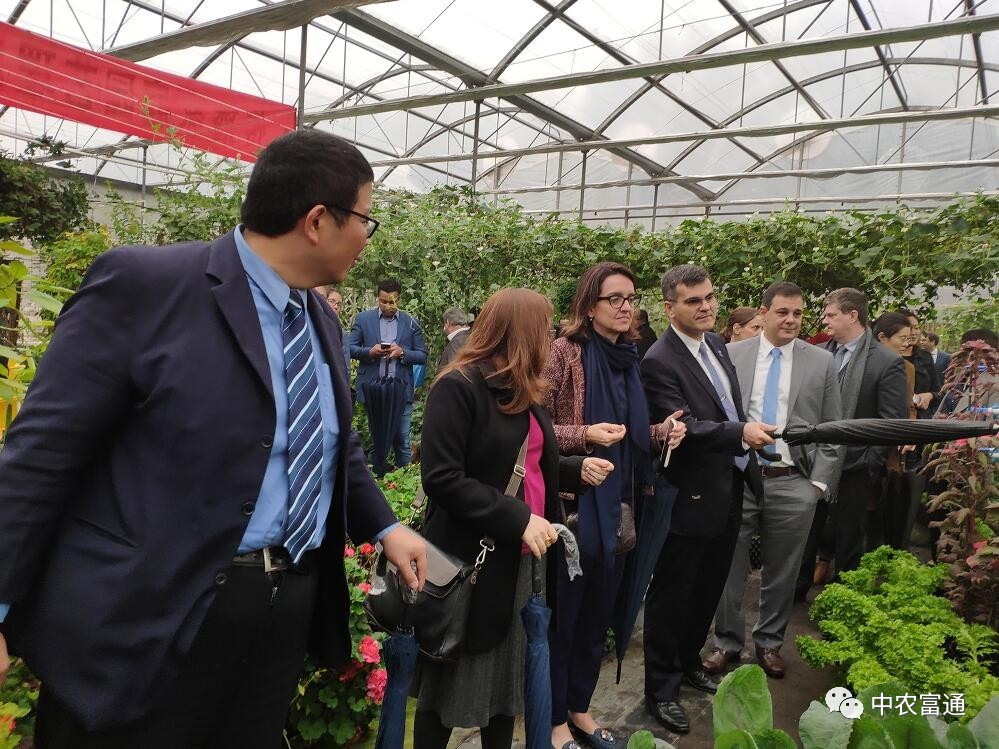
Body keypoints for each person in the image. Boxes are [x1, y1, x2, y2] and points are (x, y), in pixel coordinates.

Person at [0, 130, 427, 748]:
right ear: (317, 221)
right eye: (366, 218)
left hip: (275, 621)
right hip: (151, 620)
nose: (368, 235)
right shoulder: (149, 286)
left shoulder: (320, 320)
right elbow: (41, 457)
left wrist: (385, 526)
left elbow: (329, 446)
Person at [411, 288, 611, 749]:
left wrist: (575, 469)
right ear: (519, 332)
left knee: (506, 691)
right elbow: (442, 477)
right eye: (544, 328)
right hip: (472, 566)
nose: (551, 337)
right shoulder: (458, 386)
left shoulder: (523, 387)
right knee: (449, 691)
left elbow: (529, 463)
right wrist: (518, 518)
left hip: (521, 564)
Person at [543, 262, 686, 749]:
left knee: (598, 615)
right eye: (615, 299)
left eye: (631, 298)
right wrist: (584, 434)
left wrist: (661, 432)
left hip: (620, 507)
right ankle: (554, 721)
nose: (626, 308)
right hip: (575, 507)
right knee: (565, 618)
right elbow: (534, 425)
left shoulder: (628, 357)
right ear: (589, 305)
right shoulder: (564, 353)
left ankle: (579, 709)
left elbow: (628, 431)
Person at [640, 265, 774, 734]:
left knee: (708, 587)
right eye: (693, 301)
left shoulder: (714, 344)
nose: (706, 307)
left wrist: (740, 439)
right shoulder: (659, 360)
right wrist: (740, 433)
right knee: (673, 593)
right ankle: (661, 689)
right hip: (690, 495)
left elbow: (724, 406)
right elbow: (686, 427)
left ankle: (687, 663)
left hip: (728, 485)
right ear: (669, 307)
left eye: (710, 297)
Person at [706, 281, 842, 680]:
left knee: (783, 569)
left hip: (793, 479)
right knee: (728, 565)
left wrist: (817, 486)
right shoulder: (731, 355)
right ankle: (727, 642)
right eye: (782, 312)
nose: (791, 320)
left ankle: (769, 642)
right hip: (739, 477)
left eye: (798, 313)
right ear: (763, 313)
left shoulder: (821, 362)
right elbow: (716, 416)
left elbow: (832, 428)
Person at [797, 288, 908, 590]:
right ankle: (795, 593)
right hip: (810, 461)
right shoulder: (819, 354)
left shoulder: (885, 361)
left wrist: (868, 461)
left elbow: (891, 422)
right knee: (804, 533)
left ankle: (843, 598)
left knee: (848, 539)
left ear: (853, 315)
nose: (824, 320)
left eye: (831, 315)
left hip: (853, 467)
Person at [348, 278, 427, 474]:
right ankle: (376, 482)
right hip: (373, 388)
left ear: (399, 299)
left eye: (391, 302)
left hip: (401, 389)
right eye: (383, 301)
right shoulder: (364, 319)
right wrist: (369, 352)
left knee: (402, 441)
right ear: (378, 298)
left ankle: (403, 482)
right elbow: (350, 348)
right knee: (377, 440)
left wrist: (402, 353)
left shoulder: (411, 322)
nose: (387, 306)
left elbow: (422, 355)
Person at [871, 312, 919, 551]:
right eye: (902, 338)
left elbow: (910, 406)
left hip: (894, 451)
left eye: (909, 338)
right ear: (882, 337)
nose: (906, 343)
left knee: (889, 503)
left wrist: (910, 432)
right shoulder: (865, 364)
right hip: (868, 442)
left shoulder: (908, 368)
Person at [897, 309, 941, 418]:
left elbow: (938, 392)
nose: (913, 333)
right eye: (908, 328)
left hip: (921, 420)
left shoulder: (925, 357)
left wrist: (929, 396)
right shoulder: (887, 358)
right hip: (894, 420)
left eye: (916, 328)